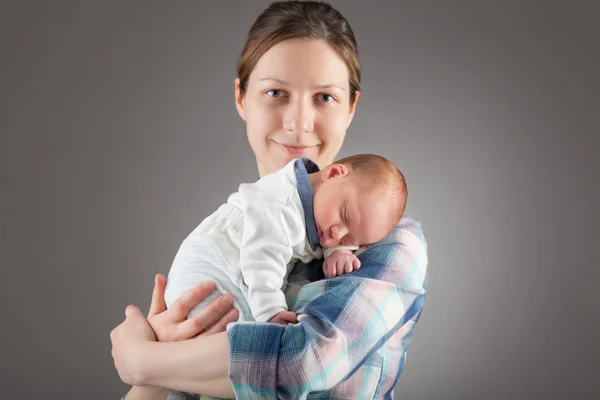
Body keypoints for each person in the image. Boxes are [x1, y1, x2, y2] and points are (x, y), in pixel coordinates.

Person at [109, 1, 428, 399]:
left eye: (325, 97)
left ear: (351, 107)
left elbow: (305, 364)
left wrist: (145, 360)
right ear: (242, 98)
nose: (298, 123)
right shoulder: (221, 246)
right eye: (275, 92)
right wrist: (153, 377)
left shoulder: (390, 244)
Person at [164, 154, 408, 326]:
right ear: (333, 173)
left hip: (231, 269)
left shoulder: (322, 209)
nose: (336, 235)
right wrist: (270, 310)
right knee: (239, 339)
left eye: (352, 238)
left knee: (215, 355)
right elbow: (263, 258)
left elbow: (345, 228)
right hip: (213, 267)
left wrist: (340, 251)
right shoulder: (281, 203)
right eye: (344, 216)